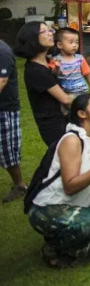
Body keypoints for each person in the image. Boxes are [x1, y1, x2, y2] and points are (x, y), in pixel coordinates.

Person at [28, 94, 90, 268]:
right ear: (82, 114)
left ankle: (72, 232)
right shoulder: (72, 140)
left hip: (79, 203)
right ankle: (54, 247)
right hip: (48, 208)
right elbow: (70, 186)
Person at [15, 22, 70, 145]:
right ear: (33, 38)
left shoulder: (46, 62)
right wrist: (87, 106)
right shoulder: (36, 70)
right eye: (44, 31)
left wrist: (55, 71)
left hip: (62, 117)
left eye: (50, 30)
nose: (50, 34)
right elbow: (65, 99)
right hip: (53, 124)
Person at [0, 38, 24, 203]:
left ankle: (19, 185)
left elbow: (2, 81)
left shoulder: (3, 52)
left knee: (7, 151)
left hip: (5, 109)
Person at [49, 28, 90, 99]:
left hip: (82, 91)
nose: (75, 45)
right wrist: (57, 67)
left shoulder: (80, 58)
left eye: (76, 42)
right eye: (71, 42)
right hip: (66, 94)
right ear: (60, 45)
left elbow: (87, 73)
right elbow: (53, 75)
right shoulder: (56, 60)